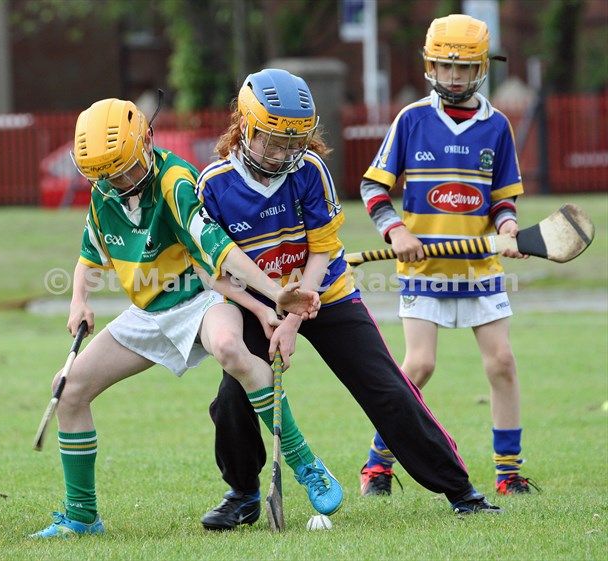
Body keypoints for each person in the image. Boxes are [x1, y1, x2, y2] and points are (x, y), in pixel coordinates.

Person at [196, 67, 501, 531]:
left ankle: (461, 491)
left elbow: (322, 249)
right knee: (234, 396)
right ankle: (242, 494)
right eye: (273, 142)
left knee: (386, 388)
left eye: (293, 143)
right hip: (257, 302)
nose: (283, 154)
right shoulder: (214, 183)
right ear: (244, 126)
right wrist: (268, 310)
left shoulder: (309, 170)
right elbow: (215, 268)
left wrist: (295, 317)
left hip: (326, 290)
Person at [30, 97, 343, 538]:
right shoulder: (105, 192)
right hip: (149, 311)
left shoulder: (175, 181)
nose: (119, 183)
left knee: (231, 349)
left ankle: (304, 462)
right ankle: (82, 517)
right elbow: (89, 257)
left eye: (126, 171)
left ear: (146, 142)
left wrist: (274, 295)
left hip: (203, 298)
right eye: (106, 177)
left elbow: (219, 250)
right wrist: (79, 300)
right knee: (68, 389)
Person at [358, 14, 537, 497]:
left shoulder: (496, 126)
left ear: (482, 69)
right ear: (430, 66)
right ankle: (378, 465)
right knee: (418, 366)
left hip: (480, 269)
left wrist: (508, 228)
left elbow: (502, 200)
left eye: (464, 68)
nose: (454, 77)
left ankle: (508, 473)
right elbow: (373, 187)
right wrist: (395, 230)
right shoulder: (411, 120)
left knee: (502, 362)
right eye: (444, 66)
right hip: (424, 269)